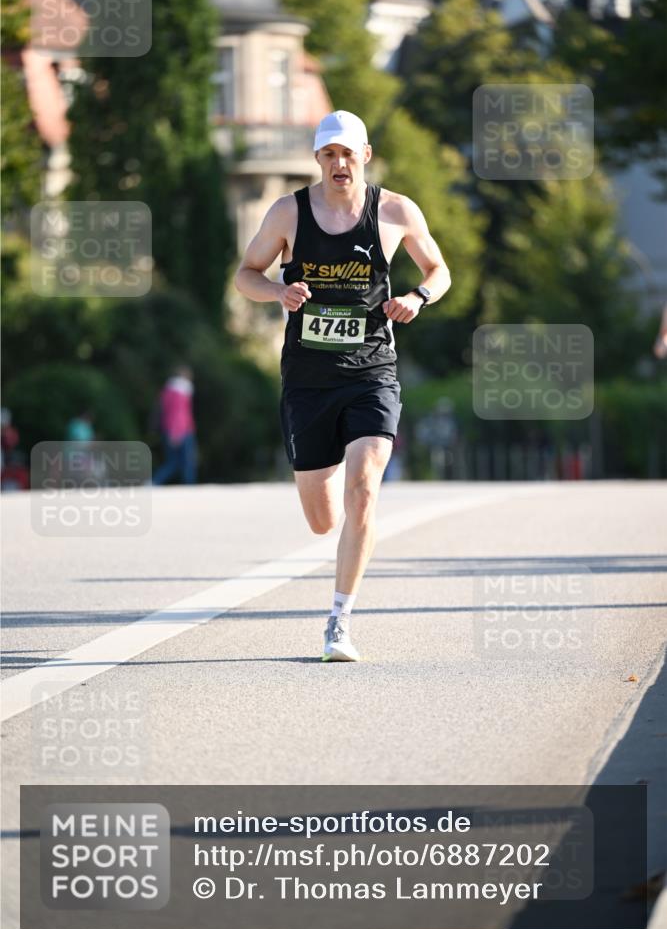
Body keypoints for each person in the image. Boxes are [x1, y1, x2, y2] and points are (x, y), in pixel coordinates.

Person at [235, 110, 451, 662]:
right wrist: (276, 293)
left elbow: (439, 270)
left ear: (366, 155)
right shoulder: (288, 212)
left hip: (371, 372)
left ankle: (339, 621)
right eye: (328, 155)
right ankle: (321, 492)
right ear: (317, 160)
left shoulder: (395, 211)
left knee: (364, 489)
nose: (338, 164)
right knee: (321, 520)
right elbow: (247, 273)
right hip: (307, 381)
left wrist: (417, 298)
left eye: (347, 154)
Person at [152, 366, 197, 485]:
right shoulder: (182, 391)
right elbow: (179, 414)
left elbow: (166, 412)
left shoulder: (167, 390)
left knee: (172, 461)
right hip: (182, 430)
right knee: (187, 462)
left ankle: (155, 481)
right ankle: (189, 487)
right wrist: (176, 432)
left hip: (168, 429)